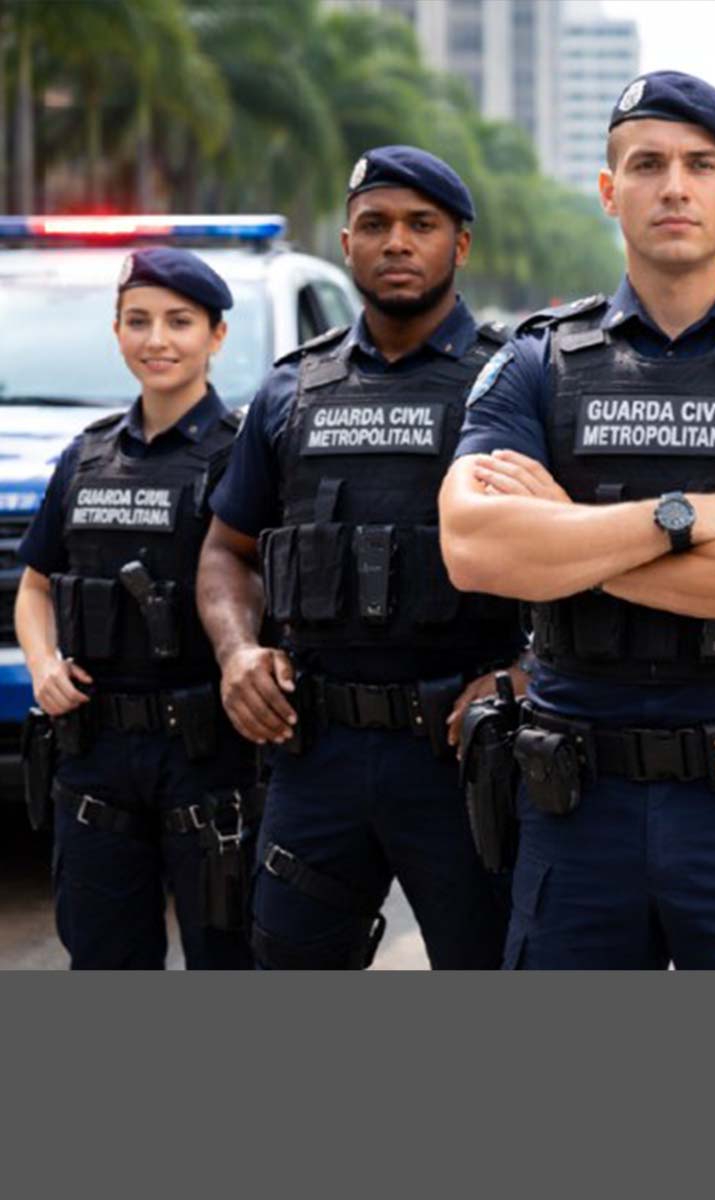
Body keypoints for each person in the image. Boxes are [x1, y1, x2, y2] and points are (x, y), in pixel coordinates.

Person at [439, 71, 715, 969]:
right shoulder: (538, 361)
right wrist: (689, 518)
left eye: (701, 165)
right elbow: (475, 547)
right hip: (576, 810)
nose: (674, 187)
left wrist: (568, 540)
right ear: (610, 191)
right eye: (647, 165)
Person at [196, 146, 523, 970]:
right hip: (316, 753)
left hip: (466, 754)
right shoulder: (291, 391)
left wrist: (526, 675)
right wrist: (237, 653)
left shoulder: (515, 382)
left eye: (422, 224)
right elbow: (227, 551)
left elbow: (581, 558)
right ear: (347, 245)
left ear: (460, 244)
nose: (397, 242)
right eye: (375, 225)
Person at [14, 247, 256, 969]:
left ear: (215, 335)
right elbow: (36, 584)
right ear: (117, 332)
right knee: (103, 962)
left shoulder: (244, 453)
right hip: (95, 753)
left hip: (209, 754)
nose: (157, 340)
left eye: (180, 322)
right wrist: (43, 665)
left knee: (228, 960)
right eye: (138, 321)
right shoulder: (85, 456)